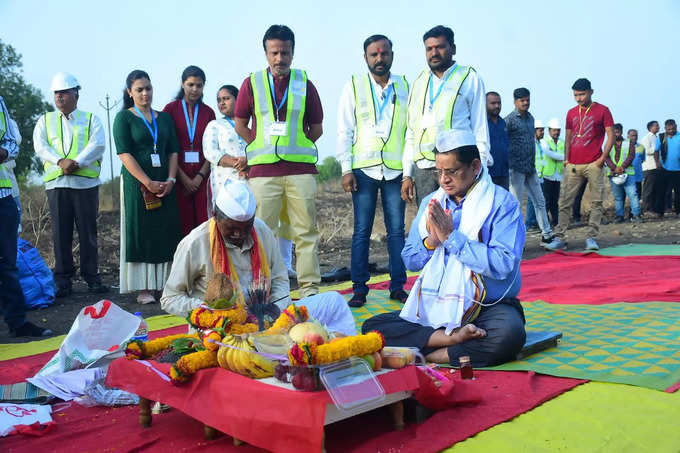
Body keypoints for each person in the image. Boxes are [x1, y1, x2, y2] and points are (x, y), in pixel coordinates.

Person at [362, 129, 526, 368]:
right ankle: (452, 340)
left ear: (475, 166)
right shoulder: (433, 203)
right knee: (372, 328)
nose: (443, 180)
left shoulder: (501, 204)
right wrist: (432, 242)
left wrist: (452, 238)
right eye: (439, 172)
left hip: (486, 309)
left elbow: (503, 265)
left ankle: (429, 353)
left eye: (452, 171)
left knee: (508, 334)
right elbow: (410, 259)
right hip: (435, 306)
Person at [160, 179, 357, 336]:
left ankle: (341, 354)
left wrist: (276, 310)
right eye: (232, 229)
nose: (239, 235)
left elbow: (280, 278)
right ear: (215, 216)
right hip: (222, 328)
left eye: (246, 228)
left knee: (333, 302)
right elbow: (170, 299)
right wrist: (209, 310)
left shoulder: (261, 229)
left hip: (265, 317)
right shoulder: (194, 243)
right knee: (230, 344)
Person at [234, 25, 323, 298]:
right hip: (263, 173)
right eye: (274, 52)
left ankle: (309, 290)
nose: (279, 58)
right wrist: (258, 144)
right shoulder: (252, 83)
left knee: (306, 232)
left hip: (300, 171)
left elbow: (317, 126)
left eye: (285, 52)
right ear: (266, 53)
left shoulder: (304, 83)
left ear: (293, 53)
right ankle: (265, 291)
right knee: (262, 234)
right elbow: (240, 123)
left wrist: (298, 145)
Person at [336, 34, 409, 307]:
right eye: (374, 55)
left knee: (397, 232)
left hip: (394, 171)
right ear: (365, 58)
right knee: (361, 231)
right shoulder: (353, 86)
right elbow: (345, 129)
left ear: (392, 54)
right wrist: (346, 168)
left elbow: (410, 131)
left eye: (384, 53)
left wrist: (409, 172)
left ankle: (398, 286)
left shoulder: (404, 86)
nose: (380, 59)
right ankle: (359, 289)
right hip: (364, 170)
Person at [204, 84, 297, 278]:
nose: (222, 103)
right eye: (219, 100)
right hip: (225, 182)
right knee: (228, 224)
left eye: (227, 98)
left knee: (258, 223)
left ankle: (279, 265)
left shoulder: (251, 125)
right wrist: (236, 163)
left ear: (239, 101)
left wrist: (250, 164)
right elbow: (211, 152)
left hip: (252, 179)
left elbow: (262, 148)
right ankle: (226, 270)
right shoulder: (214, 125)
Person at [33, 72, 109, 297]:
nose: (59, 97)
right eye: (56, 93)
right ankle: (63, 279)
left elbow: (98, 144)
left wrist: (77, 162)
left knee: (88, 233)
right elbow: (40, 146)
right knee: (60, 234)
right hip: (57, 184)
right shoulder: (45, 120)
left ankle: (92, 277)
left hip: (84, 184)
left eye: (64, 93)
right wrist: (60, 162)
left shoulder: (91, 119)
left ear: (76, 94)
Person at [401, 25, 491, 207]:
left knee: (461, 223)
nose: (434, 53)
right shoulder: (418, 82)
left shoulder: (469, 78)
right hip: (424, 169)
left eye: (440, 47)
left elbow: (480, 127)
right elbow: (411, 132)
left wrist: (480, 170)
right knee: (430, 226)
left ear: (453, 49)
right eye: (429, 49)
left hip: (457, 168)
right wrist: (407, 174)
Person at [113, 70, 182, 304]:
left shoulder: (164, 118)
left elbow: (173, 150)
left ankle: (164, 284)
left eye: (148, 88)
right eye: (139, 89)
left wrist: (171, 180)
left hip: (164, 182)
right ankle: (143, 288)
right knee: (140, 230)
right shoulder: (124, 118)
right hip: (137, 184)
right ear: (129, 93)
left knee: (165, 228)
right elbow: (124, 153)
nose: (145, 93)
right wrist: (147, 182)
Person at [1, 95, 53, 337]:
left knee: (8, 265)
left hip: (2, 197)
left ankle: (17, 322)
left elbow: (12, 142)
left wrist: (3, 151)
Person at [545, 78, 614, 251]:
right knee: (565, 202)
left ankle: (591, 237)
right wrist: (567, 160)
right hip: (573, 164)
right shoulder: (571, 112)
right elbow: (568, 137)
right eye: (575, 95)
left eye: (582, 94)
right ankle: (559, 237)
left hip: (594, 164)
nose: (578, 98)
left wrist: (602, 158)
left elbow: (610, 135)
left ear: (591, 92)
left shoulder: (603, 110)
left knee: (596, 202)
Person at [163, 66, 215, 236]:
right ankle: (183, 262)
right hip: (178, 178)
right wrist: (183, 178)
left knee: (204, 225)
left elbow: (212, 149)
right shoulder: (170, 110)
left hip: (202, 178)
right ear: (182, 84)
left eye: (199, 85)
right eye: (190, 84)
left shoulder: (208, 112)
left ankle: (205, 262)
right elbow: (167, 147)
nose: (194, 89)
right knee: (181, 225)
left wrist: (199, 177)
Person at [505, 88, 553, 244]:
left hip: (530, 168)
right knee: (516, 206)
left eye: (527, 100)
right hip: (515, 169)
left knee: (540, 201)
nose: (525, 103)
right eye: (522, 100)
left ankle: (547, 235)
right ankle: (515, 241)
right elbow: (502, 141)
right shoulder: (509, 120)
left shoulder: (531, 118)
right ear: (515, 102)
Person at [605, 135, 641, 222]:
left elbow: (631, 156)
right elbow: (606, 157)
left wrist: (622, 167)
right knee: (618, 197)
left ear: (621, 132)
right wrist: (614, 168)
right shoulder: (608, 144)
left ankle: (636, 215)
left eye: (617, 132)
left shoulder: (629, 143)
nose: (616, 134)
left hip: (628, 173)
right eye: (614, 132)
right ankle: (619, 216)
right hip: (614, 174)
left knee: (632, 195)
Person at [655, 119, 680, 218]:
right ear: (665, 128)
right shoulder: (661, 137)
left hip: (678, 169)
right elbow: (656, 151)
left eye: (673, 129)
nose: (671, 131)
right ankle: (659, 212)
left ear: (676, 127)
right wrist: (657, 162)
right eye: (668, 129)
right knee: (661, 191)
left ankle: (678, 211)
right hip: (664, 168)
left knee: (678, 192)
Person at [542, 118, 565, 226]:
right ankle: (545, 223)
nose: (556, 132)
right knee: (545, 201)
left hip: (557, 175)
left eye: (558, 130)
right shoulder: (544, 141)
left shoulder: (562, 142)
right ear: (549, 130)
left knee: (554, 202)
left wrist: (560, 156)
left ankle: (555, 222)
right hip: (547, 175)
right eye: (554, 130)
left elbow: (565, 154)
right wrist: (563, 157)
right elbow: (549, 154)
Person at [486, 91, 509, 189]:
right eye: (493, 103)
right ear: (485, 104)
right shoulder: (482, 124)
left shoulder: (503, 123)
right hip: (488, 173)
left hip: (504, 173)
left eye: (499, 103)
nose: (497, 106)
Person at [640, 120, 661, 215]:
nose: (658, 127)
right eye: (656, 126)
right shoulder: (646, 138)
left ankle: (653, 209)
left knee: (656, 189)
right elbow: (646, 151)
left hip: (657, 166)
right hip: (649, 167)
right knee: (648, 189)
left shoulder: (657, 137)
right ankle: (646, 209)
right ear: (650, 128)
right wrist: (657, 149)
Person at [628, 129, 645, 205]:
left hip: (637, 175)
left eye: (636, 135)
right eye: (632, 135)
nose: (634, 137)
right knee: (628, 195)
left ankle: (635, 214)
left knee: (637, 195)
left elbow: (642, 159)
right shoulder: (624, 146)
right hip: (627, 175)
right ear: (628, 136)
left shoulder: (641, 147)